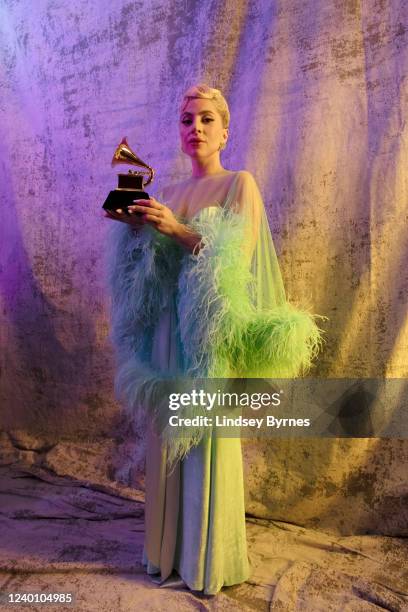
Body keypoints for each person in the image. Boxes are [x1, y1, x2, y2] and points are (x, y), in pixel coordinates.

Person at [104, 84, 326, 596]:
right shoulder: (173, 192)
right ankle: (164, 553)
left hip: (207, 334)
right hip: (168, 334)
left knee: (205, 441)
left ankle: (206, 559)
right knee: (167, 441)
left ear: (224, 130)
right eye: (186, 120)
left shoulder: (239, 184)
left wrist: (176, 230)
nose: (195, 128)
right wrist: (133, 231)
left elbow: (235, 261)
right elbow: (148, 279)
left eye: (206, 119)